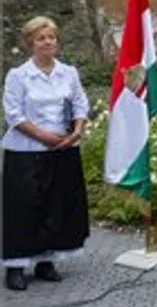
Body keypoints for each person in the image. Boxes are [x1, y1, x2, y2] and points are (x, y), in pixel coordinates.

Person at [3, 16, 90, 292]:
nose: (47, 42)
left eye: (51, 37)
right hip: (26, 151)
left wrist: (76, 131)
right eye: (41, 38)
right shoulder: (18, 75)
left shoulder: (69, 72)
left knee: (56, 206)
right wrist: (43, 137)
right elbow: (13, 114)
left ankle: (46, 262)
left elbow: (80, 103)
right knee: (23, 209)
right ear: (31, 43)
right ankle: (15, 266)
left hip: (62, 150)